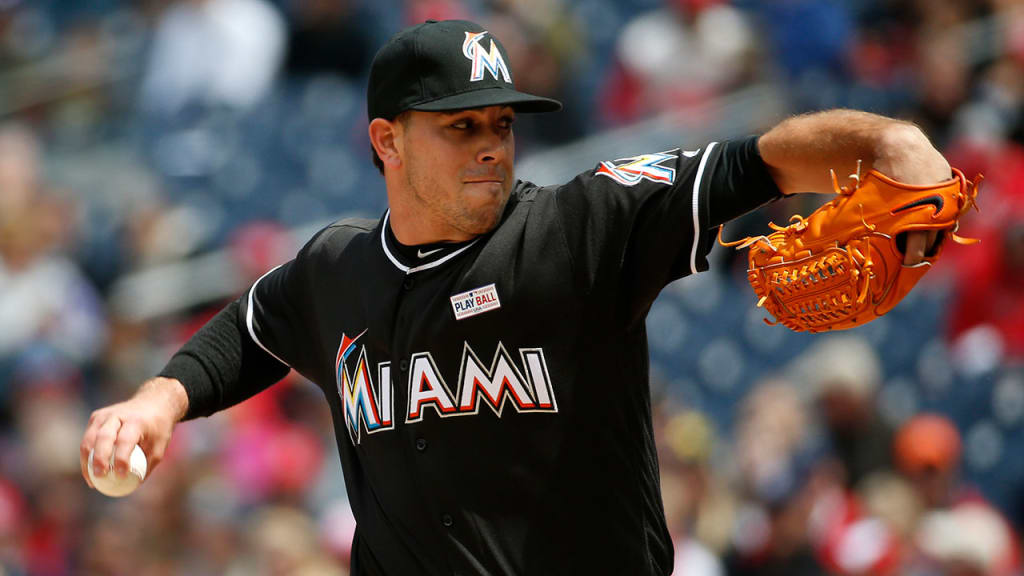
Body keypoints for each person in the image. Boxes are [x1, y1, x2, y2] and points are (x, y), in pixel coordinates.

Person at [80, 19, 953, 576]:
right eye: (461, 126)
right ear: (386, 140)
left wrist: (887, 142)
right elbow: (254, 326)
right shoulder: (334, 269)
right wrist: (161, 399)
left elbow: (752, 161)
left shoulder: (584, 226)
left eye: (501, 123)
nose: (492, 144)